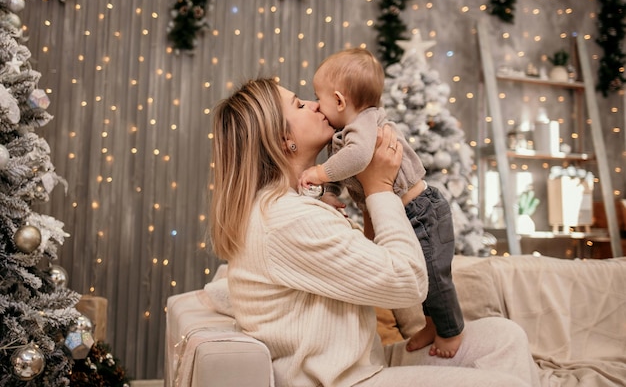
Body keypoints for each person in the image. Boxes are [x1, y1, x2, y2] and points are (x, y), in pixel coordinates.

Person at [209, 77, 540, 387]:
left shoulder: (289, 204)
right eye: (298, 105)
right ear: (285, 140)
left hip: (364, 366)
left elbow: (360, 267)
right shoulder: (286, 219)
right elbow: (409, 282)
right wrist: (380, 188)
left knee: (503, 337)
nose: (313, 105)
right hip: (344, 381)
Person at [299, 47, 464, 358]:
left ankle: (452, 331)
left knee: (434, 274)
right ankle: (432, 325)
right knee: (426, 277)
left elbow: (358, 158)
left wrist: (319, 173)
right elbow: (344, 165)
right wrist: (331, 191)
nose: (317, 105)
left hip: (422, 211)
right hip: (405, 212)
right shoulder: (344, 135)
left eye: (318, 97)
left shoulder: (365, 123)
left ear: (339, 100)